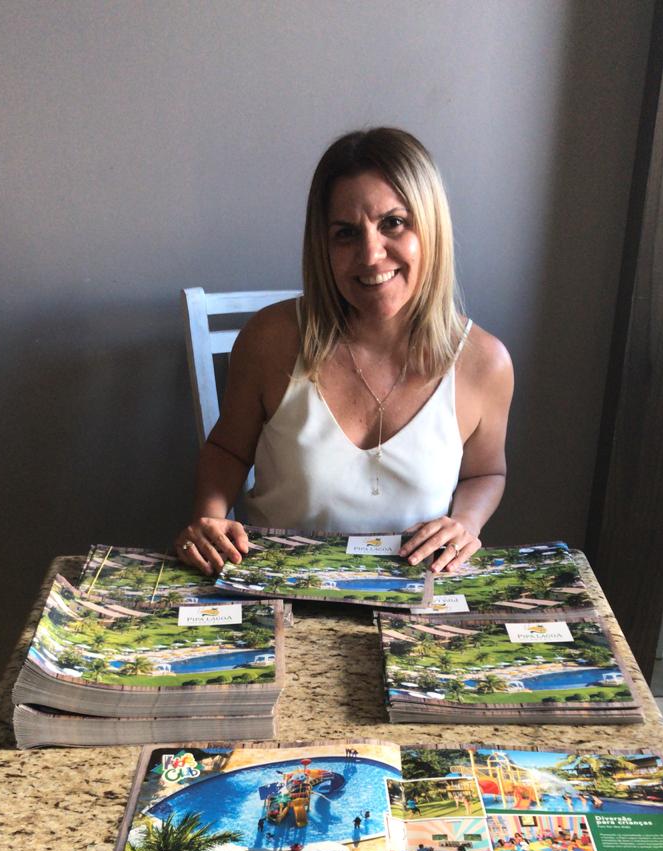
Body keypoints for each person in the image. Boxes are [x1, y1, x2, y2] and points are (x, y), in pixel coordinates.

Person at [176, 127, 513, 575]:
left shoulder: (485, 363)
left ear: (431, 227)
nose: (370, 255)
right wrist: (209, 519)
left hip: (415, 593)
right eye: (346, 233)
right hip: (277, 587)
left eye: (393, 223)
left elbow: (485, 473)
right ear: (323, 246)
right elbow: (228, 449)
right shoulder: (269, 340)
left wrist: (466, 523)